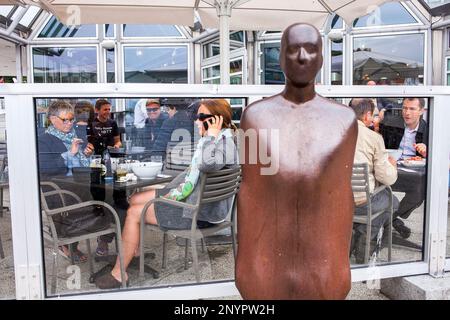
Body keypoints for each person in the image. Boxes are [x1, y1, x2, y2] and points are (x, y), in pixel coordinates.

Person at [236, 23, 357, 299]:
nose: (303, 57)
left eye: (311, 50)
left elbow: (341, 198)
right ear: (280, 58)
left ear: (322, 58)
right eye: (293, 50)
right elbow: (251, 194)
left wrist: (340, 269)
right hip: (266, 265)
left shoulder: (344, 120)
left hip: (323, 267)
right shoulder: (255, 117)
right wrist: (246, 266)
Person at [95, 99, 238, 289]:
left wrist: (210, 136)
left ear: (216, 121)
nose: (196, 121)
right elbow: (192, 175)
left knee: (133, 212)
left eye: (201, 117)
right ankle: (133, 250)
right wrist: (168, 190)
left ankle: (119, 273)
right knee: (135, 199)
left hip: (196, 212)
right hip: (194, 201)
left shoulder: (222, 143)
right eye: (197, 117)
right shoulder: (222, 140)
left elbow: (206, 165)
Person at [38, 100, 94, 263]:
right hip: (61, 190)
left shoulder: (73, 136)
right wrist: (70, 153)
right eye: (65, 120)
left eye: (71, 119)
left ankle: (106, 240)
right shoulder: (44, 140)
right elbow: (46, 168)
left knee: (114, 199)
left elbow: (78, 161)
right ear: (52, 119)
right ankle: (67, 243)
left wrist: (86, 154)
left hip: (78, 183)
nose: (69, 123)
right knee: (108, 203)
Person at [348, 98, 399, 264]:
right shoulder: (373, 137)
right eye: (374, 115)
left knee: (381, 201)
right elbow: (386, 177)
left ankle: (356, 236)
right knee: (392, 202)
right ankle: (364, 246)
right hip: (362, 202)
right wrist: (392, 166)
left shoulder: (335, 134)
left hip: (337, 201)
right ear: (367, 115)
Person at [379, 97, 428, 239]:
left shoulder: (428, 130)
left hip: (412, 172)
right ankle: (391, 220)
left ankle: (390, 219)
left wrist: (427, 152)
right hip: (389, 168)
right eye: (405, 108)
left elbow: (437, 155)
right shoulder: (392, 125)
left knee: (420, 190)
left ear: (421, 111)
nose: (407, 112)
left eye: (412, 109)